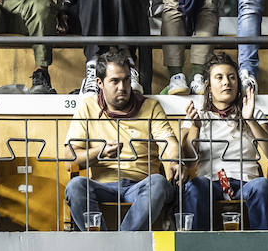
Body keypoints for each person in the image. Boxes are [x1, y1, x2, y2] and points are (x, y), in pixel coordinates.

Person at [64, 49, 181, 231]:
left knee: (159, 183)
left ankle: (118, 244)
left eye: (126, 80)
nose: (123, 87)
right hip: (102, 186)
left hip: (142, 185)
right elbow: (70, 158)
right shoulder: (87, 107)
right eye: (115, 81)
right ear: (99, 83)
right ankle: (108, 244)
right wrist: (100, 153)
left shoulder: (150, 107)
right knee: (75, 186)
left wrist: (174, 160)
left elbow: (169, 143)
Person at [180, 51, 268, 230]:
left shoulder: (253, 112)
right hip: (210, 183)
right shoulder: (197, 114)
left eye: (232, 77)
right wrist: (196, 127)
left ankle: (266, 249)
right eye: (219, 77)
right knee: (195, 186)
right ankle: (195, 248)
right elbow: (187, 161)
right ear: (208, 85)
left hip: (246, 183)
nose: (227, 82)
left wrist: (250, 120)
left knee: (263, 185)